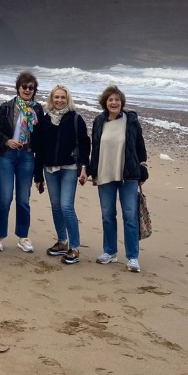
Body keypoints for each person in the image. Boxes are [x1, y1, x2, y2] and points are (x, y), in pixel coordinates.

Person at [88, 84, 148, 272]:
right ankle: (110, 252)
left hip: (128, 175)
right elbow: (95, 148)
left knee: (129, 216)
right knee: (107, 216)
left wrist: (143, 168)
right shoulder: (99, 121)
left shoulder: (131, 121)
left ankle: (132, 257)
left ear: (122, 102)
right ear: (105, 103)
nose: (114, 102)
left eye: (117, 100)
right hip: (105, 173)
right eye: (110, 100)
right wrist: (92, 171)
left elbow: (140, 145)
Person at [36, 84, 90, 265]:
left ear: (68, 99)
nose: (59, 100)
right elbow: (39, 149)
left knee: (67, 206)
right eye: (56, 97)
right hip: (49, 169)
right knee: (56, 206)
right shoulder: (45, 120)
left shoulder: (76, 119)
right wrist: (38, 176)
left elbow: (84, 144)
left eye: (62, 97)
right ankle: (62, 241)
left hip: (69, 168)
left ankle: (74, 247)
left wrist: (84, 168)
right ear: (51, 100)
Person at [0, 71, 44, 252]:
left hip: (27, 156)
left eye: (31, 87)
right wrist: (7, 140)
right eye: (24, 87)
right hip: (7, 155)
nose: (27, 90)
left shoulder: (37, 109)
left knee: (23, 199)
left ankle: (23, 237)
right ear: (18, 88)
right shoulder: (7, 107)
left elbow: (41, 136)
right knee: (5, 197)